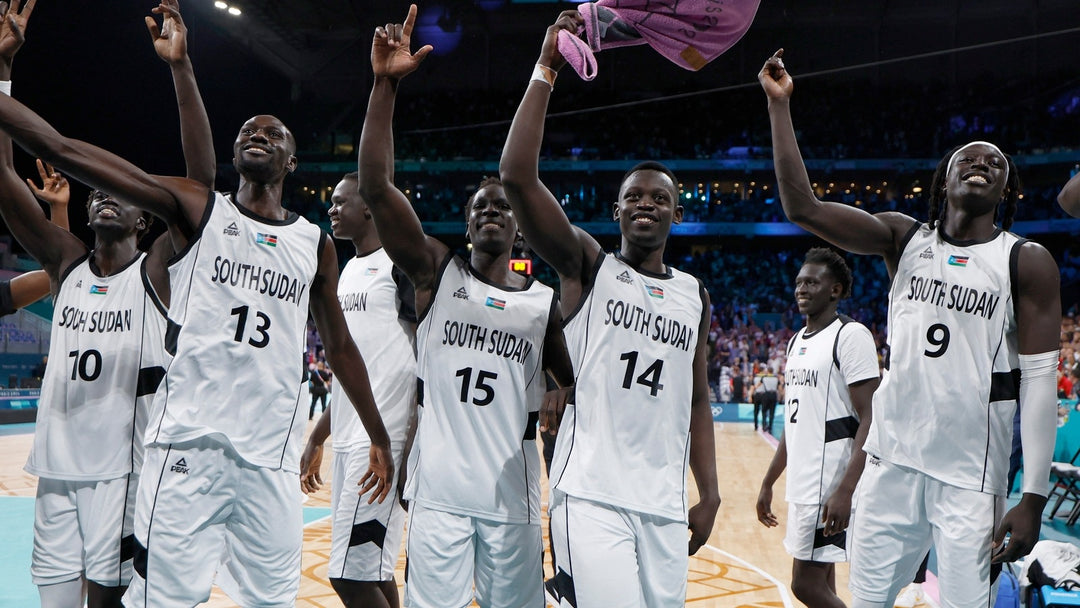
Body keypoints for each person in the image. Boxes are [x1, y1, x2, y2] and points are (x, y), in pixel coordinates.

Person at [0, 9, 396, 608]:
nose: (258, 134)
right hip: (186, 450)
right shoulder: (199, 210)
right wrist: (180, 66)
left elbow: (338, 345)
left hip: (269, 461)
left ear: (292, 163)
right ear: (233, 155)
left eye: (274, 133)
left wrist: (378, 433)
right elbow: (62, 148)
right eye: (248, 131)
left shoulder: (312, 243)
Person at [760, 49, 1061, 607]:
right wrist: (780, 107)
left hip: (971, 477)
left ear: (1007, 193)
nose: (982, 162)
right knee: (868, 600)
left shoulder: (1026, 260)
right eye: (967, 157)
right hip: (891, 460)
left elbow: (1041, 382)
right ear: (943, 180)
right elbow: (802, 208)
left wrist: (1034, 496)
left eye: (996, 164)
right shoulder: (904, 239)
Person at [499, 11, 720, 607]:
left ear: (677, 214)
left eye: (660, 198)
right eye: (633, 197)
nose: (646, 203)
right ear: (617, 212)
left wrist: (711, 492)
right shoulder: (588, 266)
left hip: (665, 504)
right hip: (592, 494)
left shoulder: (694, 294)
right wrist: (546, 66)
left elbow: (696, 397)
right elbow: (517, 178)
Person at [357, 7, 575, 607]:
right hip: (439, 494)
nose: (489, 213)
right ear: (466, 221)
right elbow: (376, 188)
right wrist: (384, 86)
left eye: (502, 207)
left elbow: (571, 382)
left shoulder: (542, 305)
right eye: (480, 206)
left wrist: (558, 392)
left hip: (514, 499)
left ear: (521, 230)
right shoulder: (435, 272)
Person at [0, 2, 213, 606]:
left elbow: (203, 193)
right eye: (96, 193)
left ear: (149, 220)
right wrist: (2, 72)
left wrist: (180, 69)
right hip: (55, 474)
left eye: (120, 194)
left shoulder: (158, 272)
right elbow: (3, 179)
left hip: (122, 476)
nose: (104, 197)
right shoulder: (66, 266)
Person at [300, 172, 418, 608]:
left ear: (369, 207)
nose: (330, 209)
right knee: (372, 569)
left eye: (339, 201)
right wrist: (318, 436)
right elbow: (352, 371)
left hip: (384, 443)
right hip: (352, 439)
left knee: (347, 576)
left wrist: (410, 443)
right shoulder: (347, 270)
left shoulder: (401, 265)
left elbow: (425, 362)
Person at [756, 247, 881, 608]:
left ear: (836, 290)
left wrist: (845, 490)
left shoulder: (850, 335)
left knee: (804, 586)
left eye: (812, 282)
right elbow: (795, 424)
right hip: (803, 480)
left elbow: (870, 417)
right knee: (824, 582)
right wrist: (768, 481)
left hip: (828, 484)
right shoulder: (796, 341)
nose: (802, 289)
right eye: (799, 282)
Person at [754, 365, 781, 434]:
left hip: (766, 395)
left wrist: (755, 389)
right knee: (772, 412)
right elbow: (780, 388)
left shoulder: (764, 378)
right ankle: (770, 427)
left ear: (768, 371)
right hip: (773, 395)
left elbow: (757, 385)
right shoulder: (776, 378)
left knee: (764, 411)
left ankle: (764, 425)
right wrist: (780, 396)